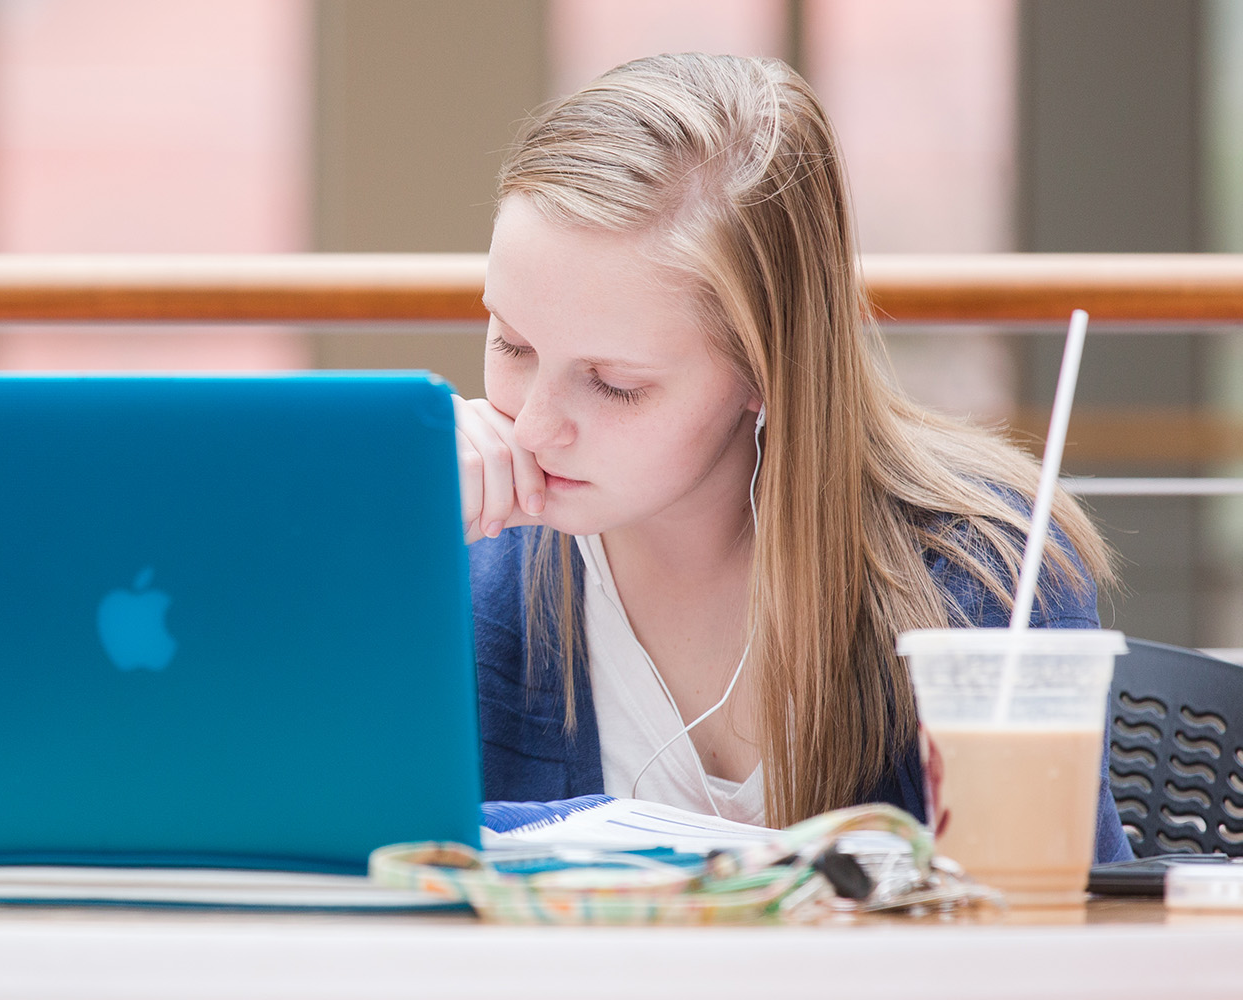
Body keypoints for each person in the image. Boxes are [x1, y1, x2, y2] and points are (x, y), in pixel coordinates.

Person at [454, 52, 1132, 862]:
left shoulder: (983, 572)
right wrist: (376, 564)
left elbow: (1063, 924)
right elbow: (330, 855)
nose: (531, 427)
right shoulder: (459, 556)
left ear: (764, 367)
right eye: (513, 344)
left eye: (615, 385)